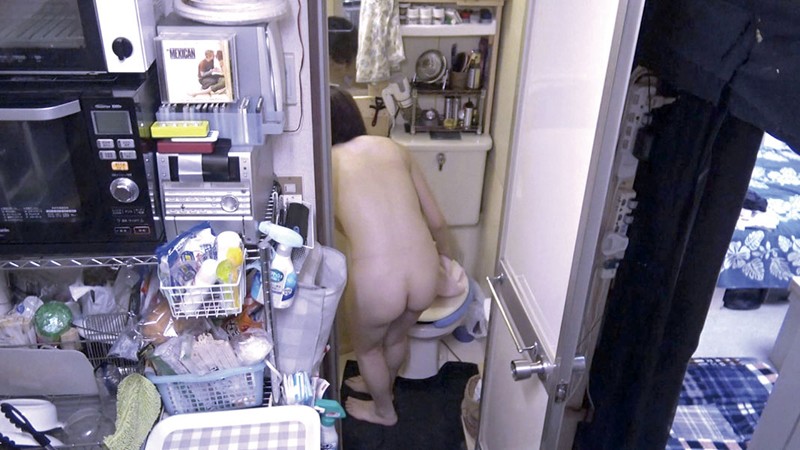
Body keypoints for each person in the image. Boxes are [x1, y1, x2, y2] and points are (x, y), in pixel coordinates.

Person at [330, 86, 455, 426]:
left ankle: (384, 410)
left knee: (368, 349)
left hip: (378, 282)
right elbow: (437, 221)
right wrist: (446, 260)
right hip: (424, 271)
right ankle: (383, 384)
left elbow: (338, 223)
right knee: (397, 336)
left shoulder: (326, 162)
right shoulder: (393, 147)